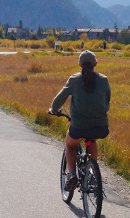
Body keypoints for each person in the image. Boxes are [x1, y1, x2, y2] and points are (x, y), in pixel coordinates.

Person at [48, 50, 111, 182]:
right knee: (91, 140)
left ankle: (72, 175)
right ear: (96, 63)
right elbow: (107, 100)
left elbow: (58, 100)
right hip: (100, 127)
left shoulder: (74, 80)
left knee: (70, 145)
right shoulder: (104, 80)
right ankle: (92, 174)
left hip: (79, 127)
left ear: (79, 65)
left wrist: (54, 110)